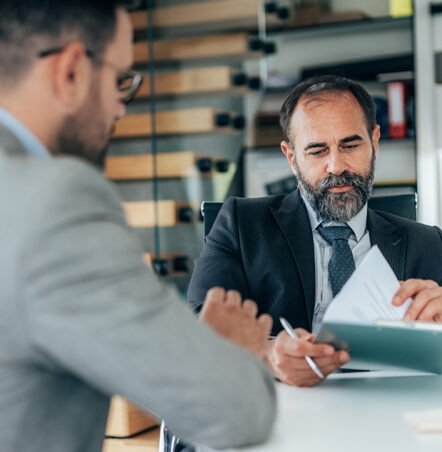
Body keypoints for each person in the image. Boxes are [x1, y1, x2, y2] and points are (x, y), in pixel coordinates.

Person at [0, 1, 276, 451]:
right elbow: (237, 411)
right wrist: (228, 352)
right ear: (71, 71)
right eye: (120, 81)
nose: (121, 108)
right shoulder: (57, 202)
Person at [188, 74, 442, 387]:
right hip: (283, 414)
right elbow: (194, 327)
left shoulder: (425, 243)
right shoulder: (241, 225)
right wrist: (266, 354)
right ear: (291, 157)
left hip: (394, 415)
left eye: (350, 145)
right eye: (317, 151)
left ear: (374, 142)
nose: (337, 166)